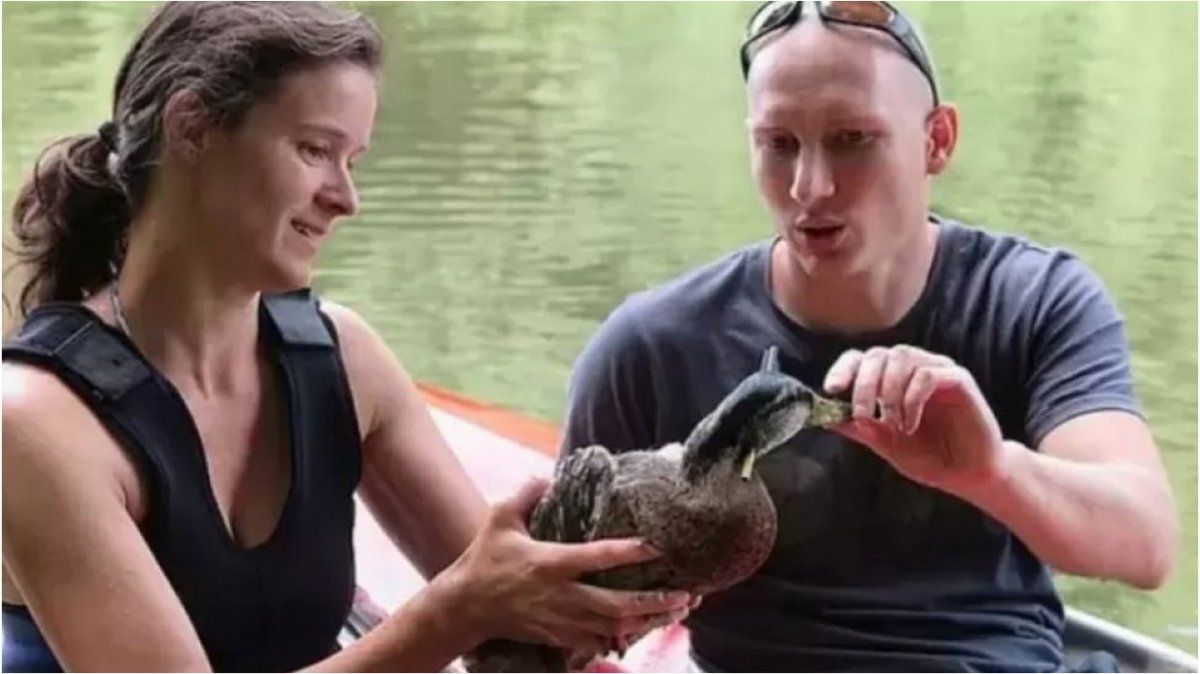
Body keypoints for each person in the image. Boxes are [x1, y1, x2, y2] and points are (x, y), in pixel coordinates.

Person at [0, 3, 695, 672]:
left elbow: (526, 605)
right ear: (193, 126)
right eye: (315, 150)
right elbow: (472, 598)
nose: (345, 197)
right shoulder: (35, 422)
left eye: (352, 160)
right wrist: (455, 612)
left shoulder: (340, 356)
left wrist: (644, 568)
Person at [560, 1, 1179, 671]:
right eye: (778, 143)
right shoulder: (653, 345)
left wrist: (990, 472)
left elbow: (1145, 545)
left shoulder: (1036, 301)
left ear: (936, 140)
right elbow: (545, 598)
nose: (810, 186)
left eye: (852, 139)